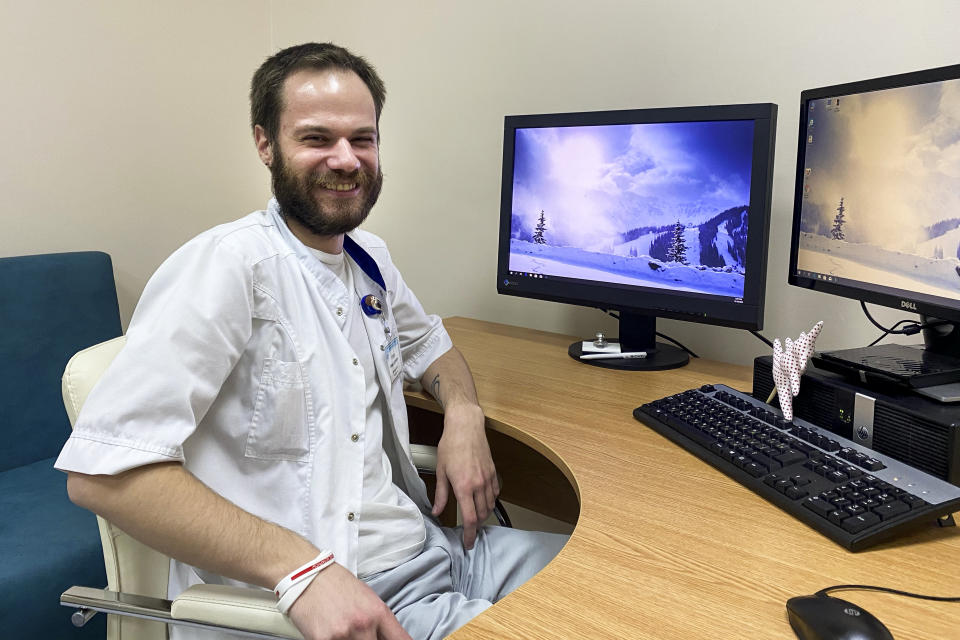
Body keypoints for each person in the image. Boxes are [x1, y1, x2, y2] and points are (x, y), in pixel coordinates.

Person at [56, 42, 567, 640]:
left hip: (436, 553)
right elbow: (104, 474)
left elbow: (436, 351)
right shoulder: (229, 267)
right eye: (317, 138)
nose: (347, 159)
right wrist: (300, 570)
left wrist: (464, 414)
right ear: (265, 144)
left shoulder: (368, 260)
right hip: (332, 600)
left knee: (620, 581)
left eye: (363, 138)